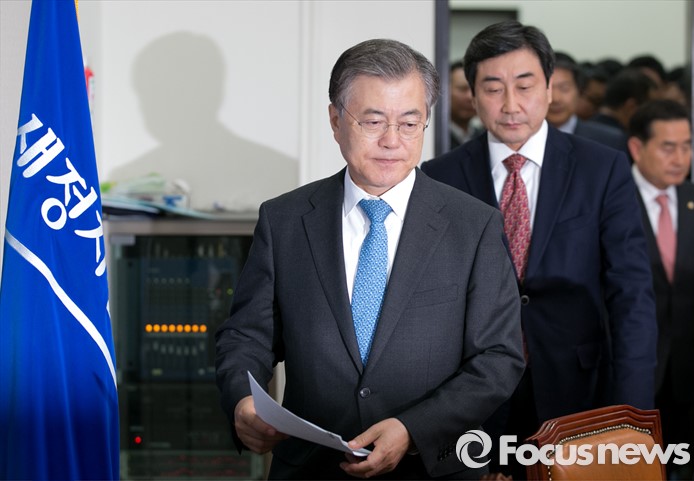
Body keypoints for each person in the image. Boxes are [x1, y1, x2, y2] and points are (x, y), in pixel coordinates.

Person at [215, 38, 525, 480]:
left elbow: (498, 358)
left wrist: (413, 429)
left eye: (409, 123)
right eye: (373, 121)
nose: (391, 141)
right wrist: (243, 401)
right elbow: (247, 336)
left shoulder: (473, 225)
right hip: (310, 468)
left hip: (430, 469)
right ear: (335, 120)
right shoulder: (284, 220)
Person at [421, 20, 657, 479]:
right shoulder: (438, 177)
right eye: (493, 88)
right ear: (472, 95)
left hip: (580, 389)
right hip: (474, 401)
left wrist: (633, 415)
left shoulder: (601, 168)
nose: (511, 105)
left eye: (525, 86)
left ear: (550, 88)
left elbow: (631, 294)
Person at [627, 99, 694, 479]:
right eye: (668, 147)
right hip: (633, 368)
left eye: (687, 146)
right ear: (637, 148)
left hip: (689, 373)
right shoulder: (613, 200)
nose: (680, 158)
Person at [546, 52, 627, 152]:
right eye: (547, 88)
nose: (556, 99)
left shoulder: (610, 141)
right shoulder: (526, 137)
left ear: (580, 91)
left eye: (564, 88)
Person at [449, 60, 482, 149]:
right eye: (462, 89)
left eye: (474, 90)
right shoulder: (435, 138)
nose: (470, 96)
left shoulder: (483, 137)